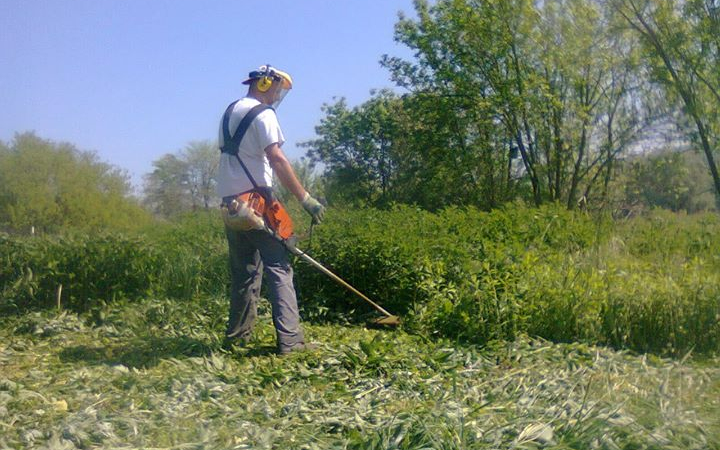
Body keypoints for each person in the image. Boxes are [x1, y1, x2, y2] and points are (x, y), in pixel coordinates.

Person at [217, 64, 325, 355]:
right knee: (279, 267)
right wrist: (305, 198)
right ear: (264, 84)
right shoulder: (264, 114)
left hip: (230, 204)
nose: (278, 95)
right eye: (277, 88)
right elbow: (276, 159)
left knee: (245, 273)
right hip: (255, 202)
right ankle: (290, 343)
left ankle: (237, 338)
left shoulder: (230, 112)